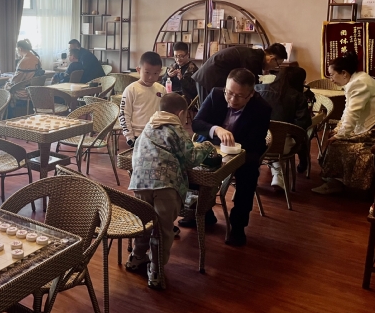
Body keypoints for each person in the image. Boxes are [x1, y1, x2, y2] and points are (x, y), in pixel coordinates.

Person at [126, 93, 215, 289]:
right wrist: (207, 146)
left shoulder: (149, 126)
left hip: (139, 182)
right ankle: (156, 271)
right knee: (162, 230)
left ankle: (136, 257)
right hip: (165, 185)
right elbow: (191, 158)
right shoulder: (176, 128)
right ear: (181, 113)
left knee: (144, 224)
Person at [190, 68, 272, 246]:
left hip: (243, 150)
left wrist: (232, 150)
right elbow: (197, 123)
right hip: (212, 145)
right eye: (229, 93)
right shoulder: (216, 94)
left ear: (251, 94)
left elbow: (255, 143)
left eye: (239, 96)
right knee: (192, 168)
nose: (233, 99)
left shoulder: (262, 108)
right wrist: (216, 129)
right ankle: (202, 212)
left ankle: (238, 226)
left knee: (249, 177)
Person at [313, 51, 375, 194]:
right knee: (335, 138)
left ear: (344, 73)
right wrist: (339, 130)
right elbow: (348, 110)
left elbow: (352, 114)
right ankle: (334, 180)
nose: (331, 79)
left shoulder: (358, 83)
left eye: (332, 75)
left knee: (337, 144)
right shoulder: (357, 79)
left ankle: (336, 182)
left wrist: (341, 134)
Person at [255, 66, 312, 189]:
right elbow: (303, 124)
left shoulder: (257, 90)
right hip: (281, 146)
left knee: (271, 136)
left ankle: (254, 173)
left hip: (255, 142)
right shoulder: (298, 97)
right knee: (285, 137)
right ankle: (281, 172)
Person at [191, 43, 288, 104]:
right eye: (277, 64)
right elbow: (250, 84)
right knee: (209, 113)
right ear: (271, 58)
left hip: (213, 77)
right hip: (209, 78)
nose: (275, 67)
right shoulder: (253, 59)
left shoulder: (255, 56)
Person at [119, 51, 166, 148]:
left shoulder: (162, 89)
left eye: (155, 73)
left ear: (160, 72)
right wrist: (129, 137)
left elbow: (165, 113)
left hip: (157, 134)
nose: (151, 77)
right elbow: (124, 114)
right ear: (138, 70)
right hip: (138, 135)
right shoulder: (131, 89)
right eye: (147, 72)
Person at [4, 39, 43, 104]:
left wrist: (9, 80)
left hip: (23, 92)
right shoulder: (36, 59)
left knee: (4, 89)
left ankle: (6, 110)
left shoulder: (23, 61)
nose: (17, 52)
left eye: (17, 50)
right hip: (34, 91)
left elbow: (15, 81)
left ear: (20, 49)